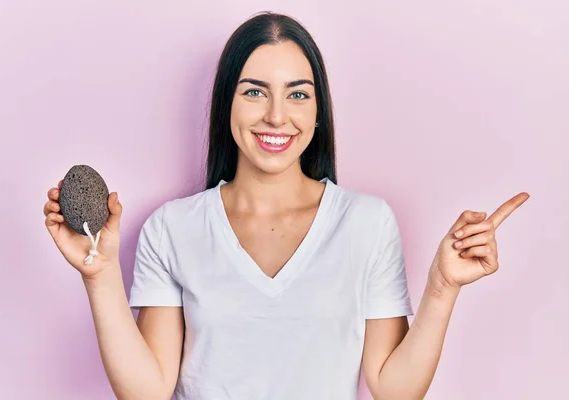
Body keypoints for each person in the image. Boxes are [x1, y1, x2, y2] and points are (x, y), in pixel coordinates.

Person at [43, 11, 529, 400]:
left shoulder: (366, 223)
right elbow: (147, 391)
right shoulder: (172, 228)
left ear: (318, 113)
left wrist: (442, 287)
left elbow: (394, 390)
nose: (277, 115)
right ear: (226, 104)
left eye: (298, 94)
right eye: (254, 92)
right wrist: (99, 275)